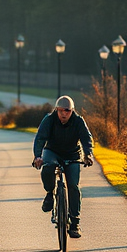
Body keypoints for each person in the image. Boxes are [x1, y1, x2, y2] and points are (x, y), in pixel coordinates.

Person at [31, 95, 94, 239]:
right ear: (56, 110)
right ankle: (49, 194)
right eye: (60, 111)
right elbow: (40, 138)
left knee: (73, 186)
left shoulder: (78, 121)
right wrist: (38, 156)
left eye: (67, 111)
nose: (64, 114)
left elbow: (86, 139)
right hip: (52, 151)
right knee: (49, 166)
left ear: (72, 111)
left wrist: (88, 154)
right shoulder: (49, 119)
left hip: (72, 154)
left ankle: (75, 224)